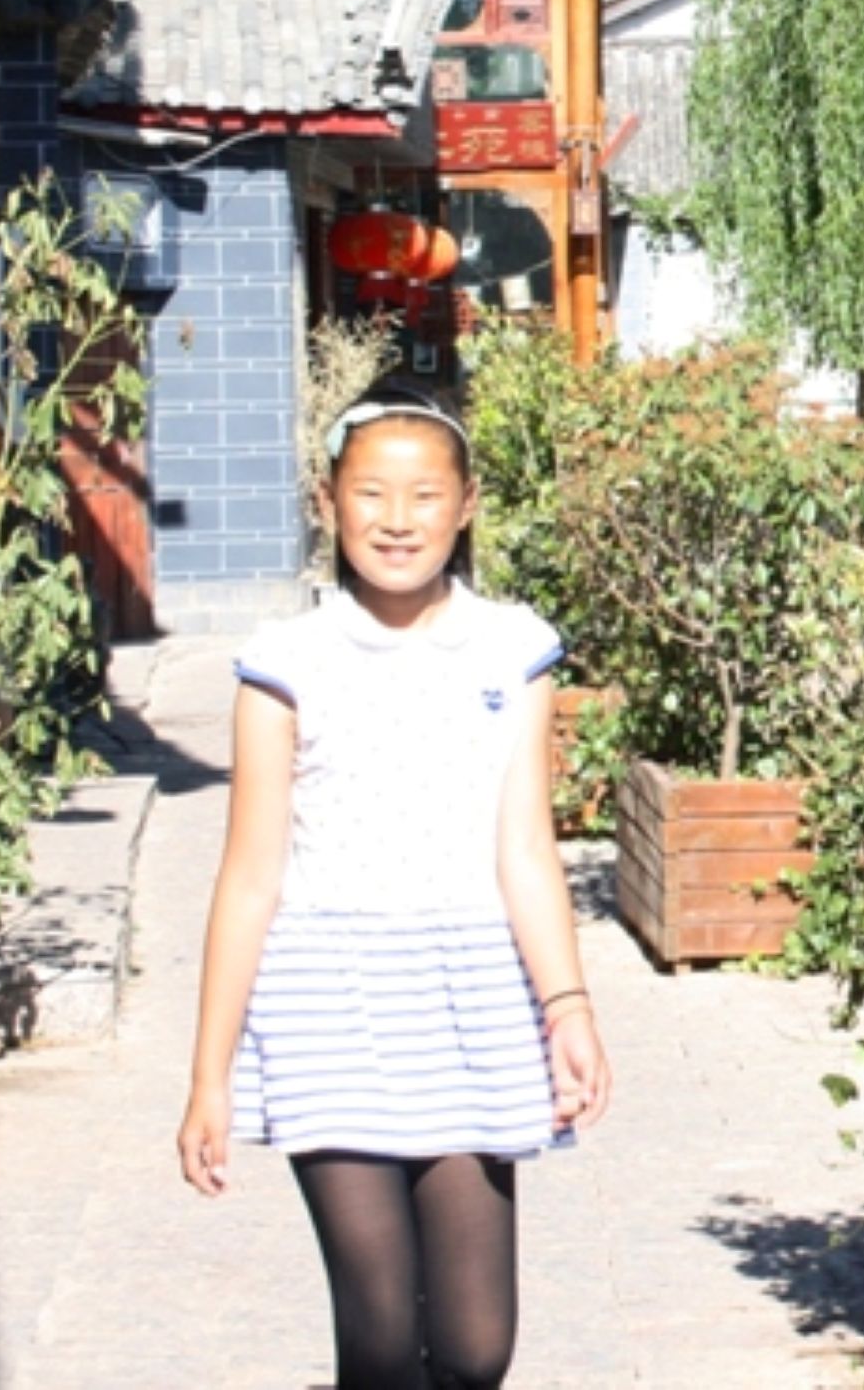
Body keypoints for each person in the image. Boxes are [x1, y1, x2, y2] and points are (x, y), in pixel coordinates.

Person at [177, 381, 611, 1389]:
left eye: (424, 495)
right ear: (330, 503)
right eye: (371, 492)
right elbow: (248, 876)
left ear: (464, 507)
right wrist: (209, 1075)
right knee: (377, 1340)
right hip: (327, 996)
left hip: (470, 1000)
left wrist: (569, 1003)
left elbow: (527, 847)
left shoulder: (513, 646)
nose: (398, 518)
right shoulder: (283, 663)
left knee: (473, 1347)